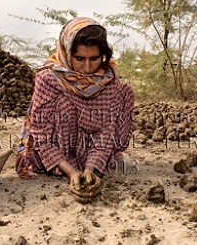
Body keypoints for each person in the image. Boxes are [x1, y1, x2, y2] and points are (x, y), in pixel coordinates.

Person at [15, 17, 134, 202]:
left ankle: (92, 167)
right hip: (57, 148)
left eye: (94, 59)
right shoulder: (49, 79)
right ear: (67, 53)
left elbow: (106, 133)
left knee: (125, 91)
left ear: (104, 56)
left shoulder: (110, 83)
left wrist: (90, 169)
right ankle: (67, 167)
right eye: (79, 59)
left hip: (93, 149)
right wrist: (72, 172)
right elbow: (42, 136)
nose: (86, 68)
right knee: (65, 105)